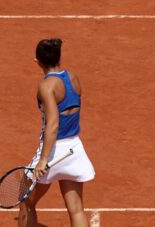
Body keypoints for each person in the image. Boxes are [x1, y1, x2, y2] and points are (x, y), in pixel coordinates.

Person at [18, 38, 96, 227]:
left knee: (26, 200)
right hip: (74, 149)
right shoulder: (73, 78)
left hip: (53, 151)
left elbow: (53, 124)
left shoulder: (46, 86)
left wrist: (44, 159)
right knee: (76, 208)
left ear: (37, 62)